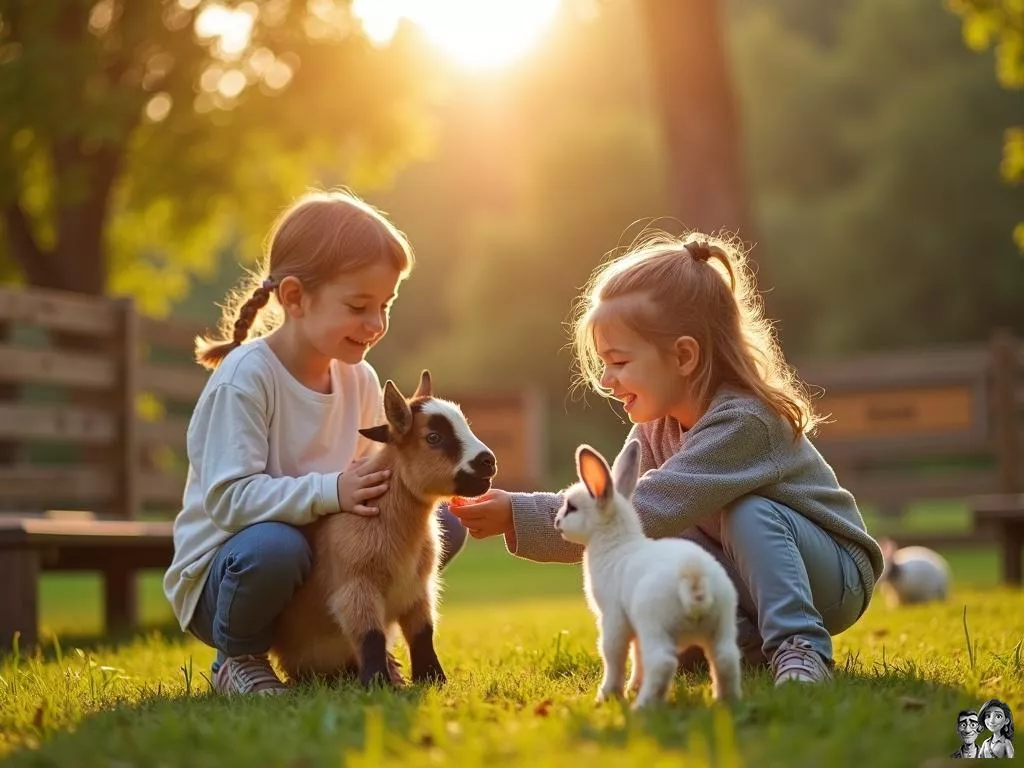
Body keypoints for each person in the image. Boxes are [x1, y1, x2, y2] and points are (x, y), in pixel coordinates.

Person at [451, 232, 884, 686]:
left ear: (683, 355)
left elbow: (641, 510)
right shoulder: (654, 429)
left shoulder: (743, 422)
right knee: (654, 543)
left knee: (744, 512)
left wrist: (518, 513)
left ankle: (799, 645)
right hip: (748, 581)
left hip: (832, 580)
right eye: (603, 363)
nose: (606, 379)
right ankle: (734, 642)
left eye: (618, 362)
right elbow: (615, 507)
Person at [163, 190, 468, 695]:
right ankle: (237, 658)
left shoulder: (360, 379)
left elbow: (373, 499)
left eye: (385, 306)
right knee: (276, 547)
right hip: (233, 575)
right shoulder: (247, 379)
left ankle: (354, 648)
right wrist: (332, 491)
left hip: (317, 567)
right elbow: (228, 500)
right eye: (358, 306)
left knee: (440, 527)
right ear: (294, 297)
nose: (375, 325)